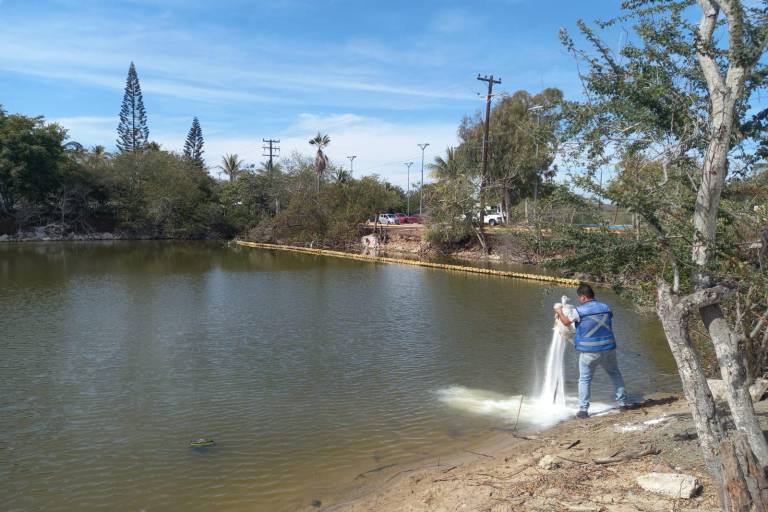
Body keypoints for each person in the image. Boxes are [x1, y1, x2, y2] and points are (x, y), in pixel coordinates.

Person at [554, 283, 629, 419]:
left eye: (579, 298)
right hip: (608, 348)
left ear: (583, 297)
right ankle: (623, 404)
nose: (579, 300)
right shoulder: (606, 307)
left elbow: (565, 322)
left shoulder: (579, 310)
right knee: (615, 374)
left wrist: (559, 311)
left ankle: (583, 411)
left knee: (584, 379)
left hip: (589, 352)